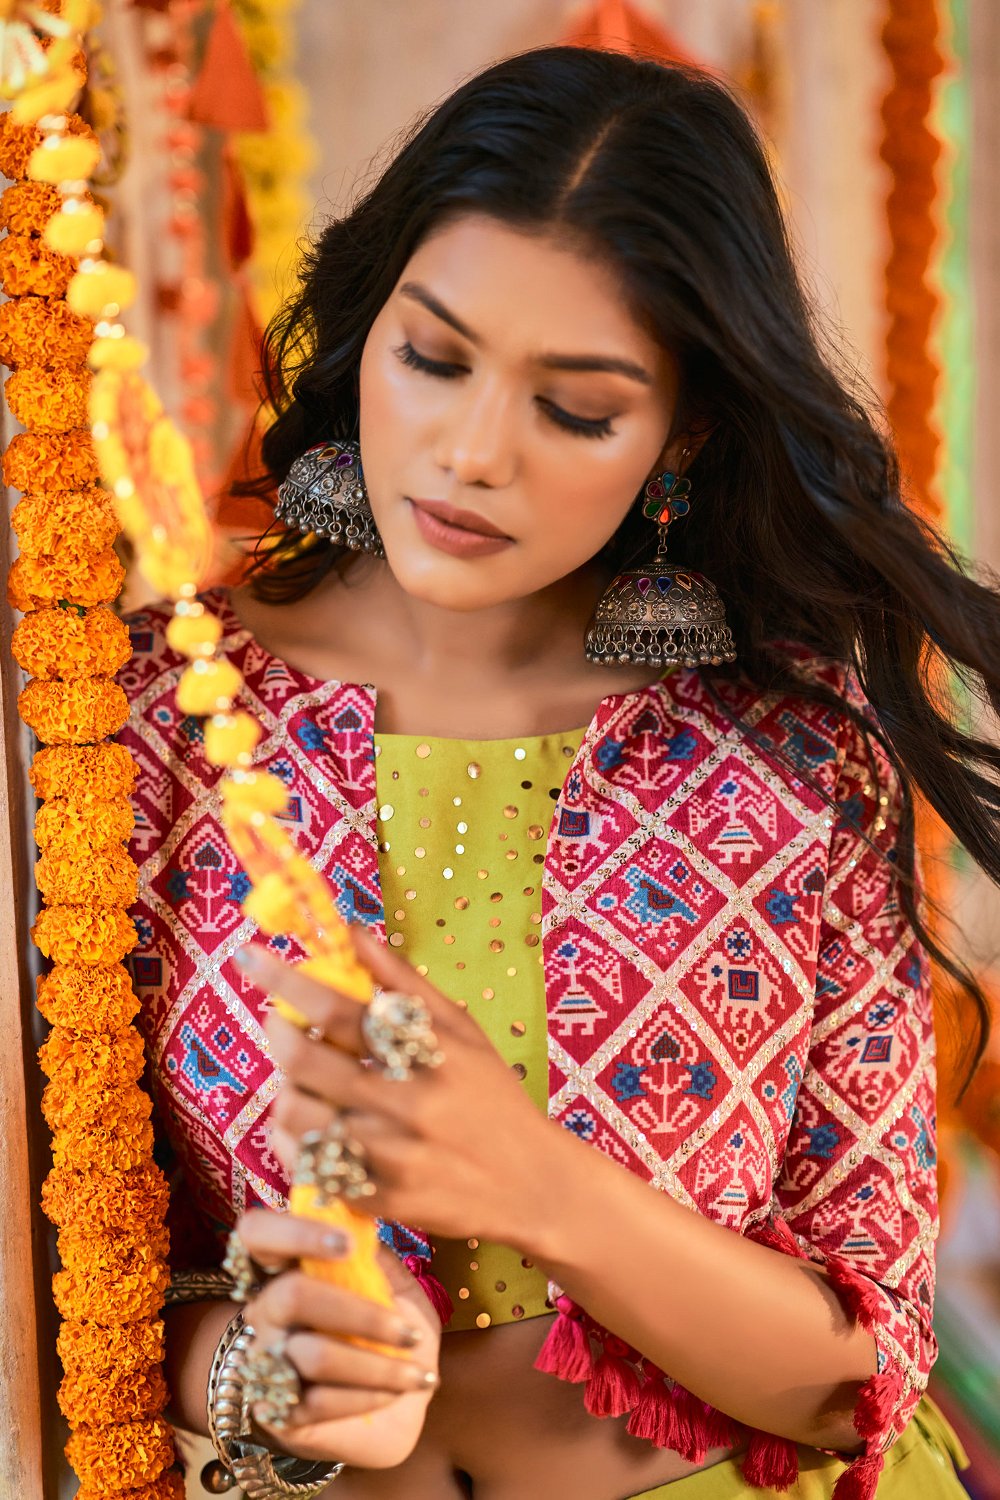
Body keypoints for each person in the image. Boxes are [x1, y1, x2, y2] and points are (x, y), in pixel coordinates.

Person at [118, 45, 994, 1500]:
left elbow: (859, 1371)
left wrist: (535, 1186)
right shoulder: (154, 719)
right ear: (366, 327)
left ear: (679, 433)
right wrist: (271, 1373)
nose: (469, 454)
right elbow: (57, 1261)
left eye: (574, 409)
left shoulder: (793, 752)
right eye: (434, 358)